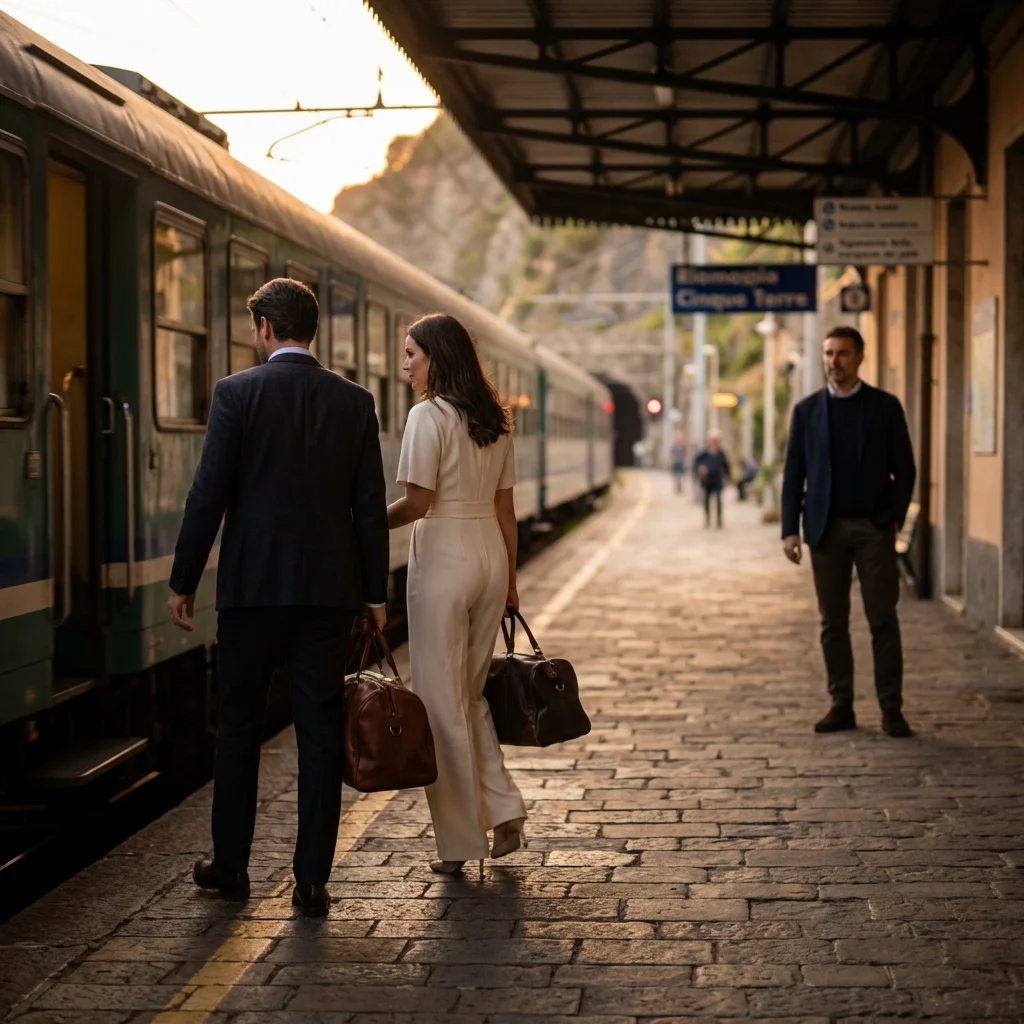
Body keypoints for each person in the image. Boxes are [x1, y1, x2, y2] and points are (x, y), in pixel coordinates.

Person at [167, 278, 389, 917]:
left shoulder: (236, 393)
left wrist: (184, 579)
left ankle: (231, 865)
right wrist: (375, 595)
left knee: (238, 723)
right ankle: (312, 881)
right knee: (319, 727)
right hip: (327, 593)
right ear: (311, 330)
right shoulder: (355, 402)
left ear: (265, 328)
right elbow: (369, 509)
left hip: (252, 589)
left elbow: (208, 493)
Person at [387, 313, 526, 876]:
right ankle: (503, 808)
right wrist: (510, 581)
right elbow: (506, 510)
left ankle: (459, 841)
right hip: (490, 554)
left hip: (444, 555)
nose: (405, 365)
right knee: (469, 696)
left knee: (440, 703)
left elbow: (417, 504)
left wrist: (362, 523)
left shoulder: (427, 416)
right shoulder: (494, 419)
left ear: (436, 358)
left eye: (411, 354)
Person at [781, 325, 916, 738]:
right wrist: (790, 530)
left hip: (873, 528)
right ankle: (841, 705)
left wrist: (890, 517)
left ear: (859, 357)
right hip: (825, 530)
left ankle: (891, 709)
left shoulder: (884, 407)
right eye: (828, 353)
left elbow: (905, 468)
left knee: (882, 620)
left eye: (842, 353)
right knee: (832, 623)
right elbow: (794, 473)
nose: (834, 362)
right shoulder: (807, 411)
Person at [693, 430, 732, 528]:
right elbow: (696, 463)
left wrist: (728, 477)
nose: (715, 442)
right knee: (706, 500)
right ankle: (707, 518)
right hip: (707, 480)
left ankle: (719, 519)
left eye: (716, 440)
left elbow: (726, 465)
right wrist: (700, 469)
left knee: (719, 499)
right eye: (713, 440)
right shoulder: (703, 452)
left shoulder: (720, 452)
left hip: (717, 479)